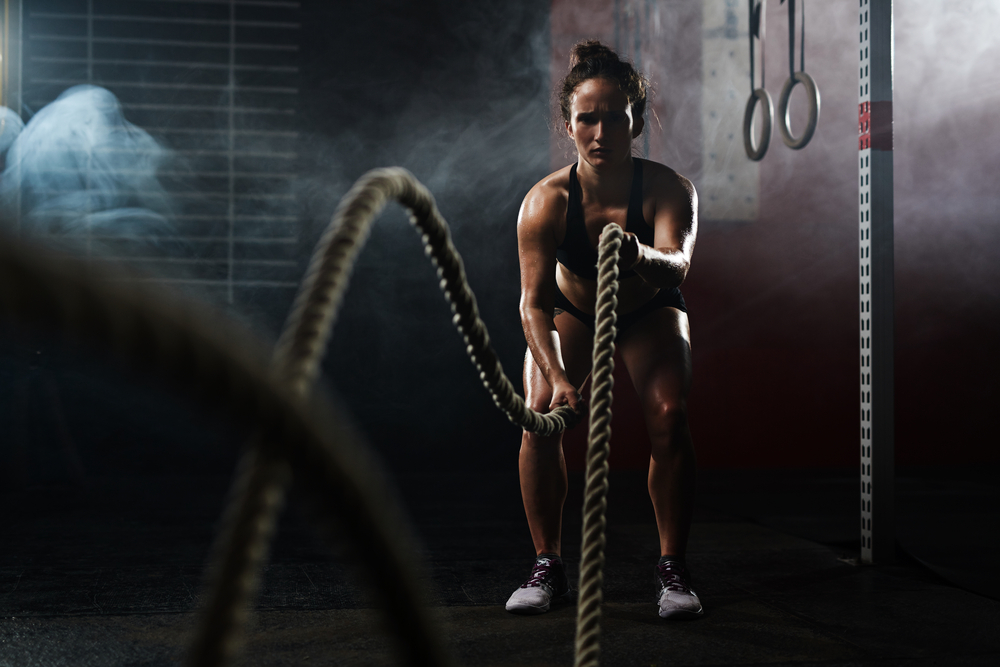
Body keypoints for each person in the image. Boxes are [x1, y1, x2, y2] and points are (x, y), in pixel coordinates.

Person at [505, 40, 701, 619]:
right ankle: (547, 564)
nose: (601, 131)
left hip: (649, 308)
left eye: (615, 117)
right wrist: (558, 375)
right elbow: (533, 304)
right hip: (571, 313)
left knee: (670, 417)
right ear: (568, 125)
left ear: (636, 119)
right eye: (587, 118)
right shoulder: (546, 201)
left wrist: (637, 253)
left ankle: (674, 569)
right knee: (541, 417)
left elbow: (679, 264)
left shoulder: (669, 188)